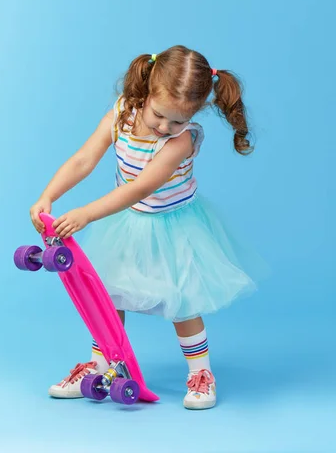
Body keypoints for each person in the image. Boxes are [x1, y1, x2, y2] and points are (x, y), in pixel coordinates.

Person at [30, 45, 259, 410]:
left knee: (182, 300)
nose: (165, 127)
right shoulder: (121, 113)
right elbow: (84, 159)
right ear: (148, 91)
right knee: (110, 296)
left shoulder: (181, 141)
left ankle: (200, 372)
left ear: (193, 116)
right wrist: (48, 196)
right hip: (128, 222)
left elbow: (141, 187)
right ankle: (101, 365)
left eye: (177, 121)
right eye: (159, 116)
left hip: (175, 225)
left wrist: (87, 213)